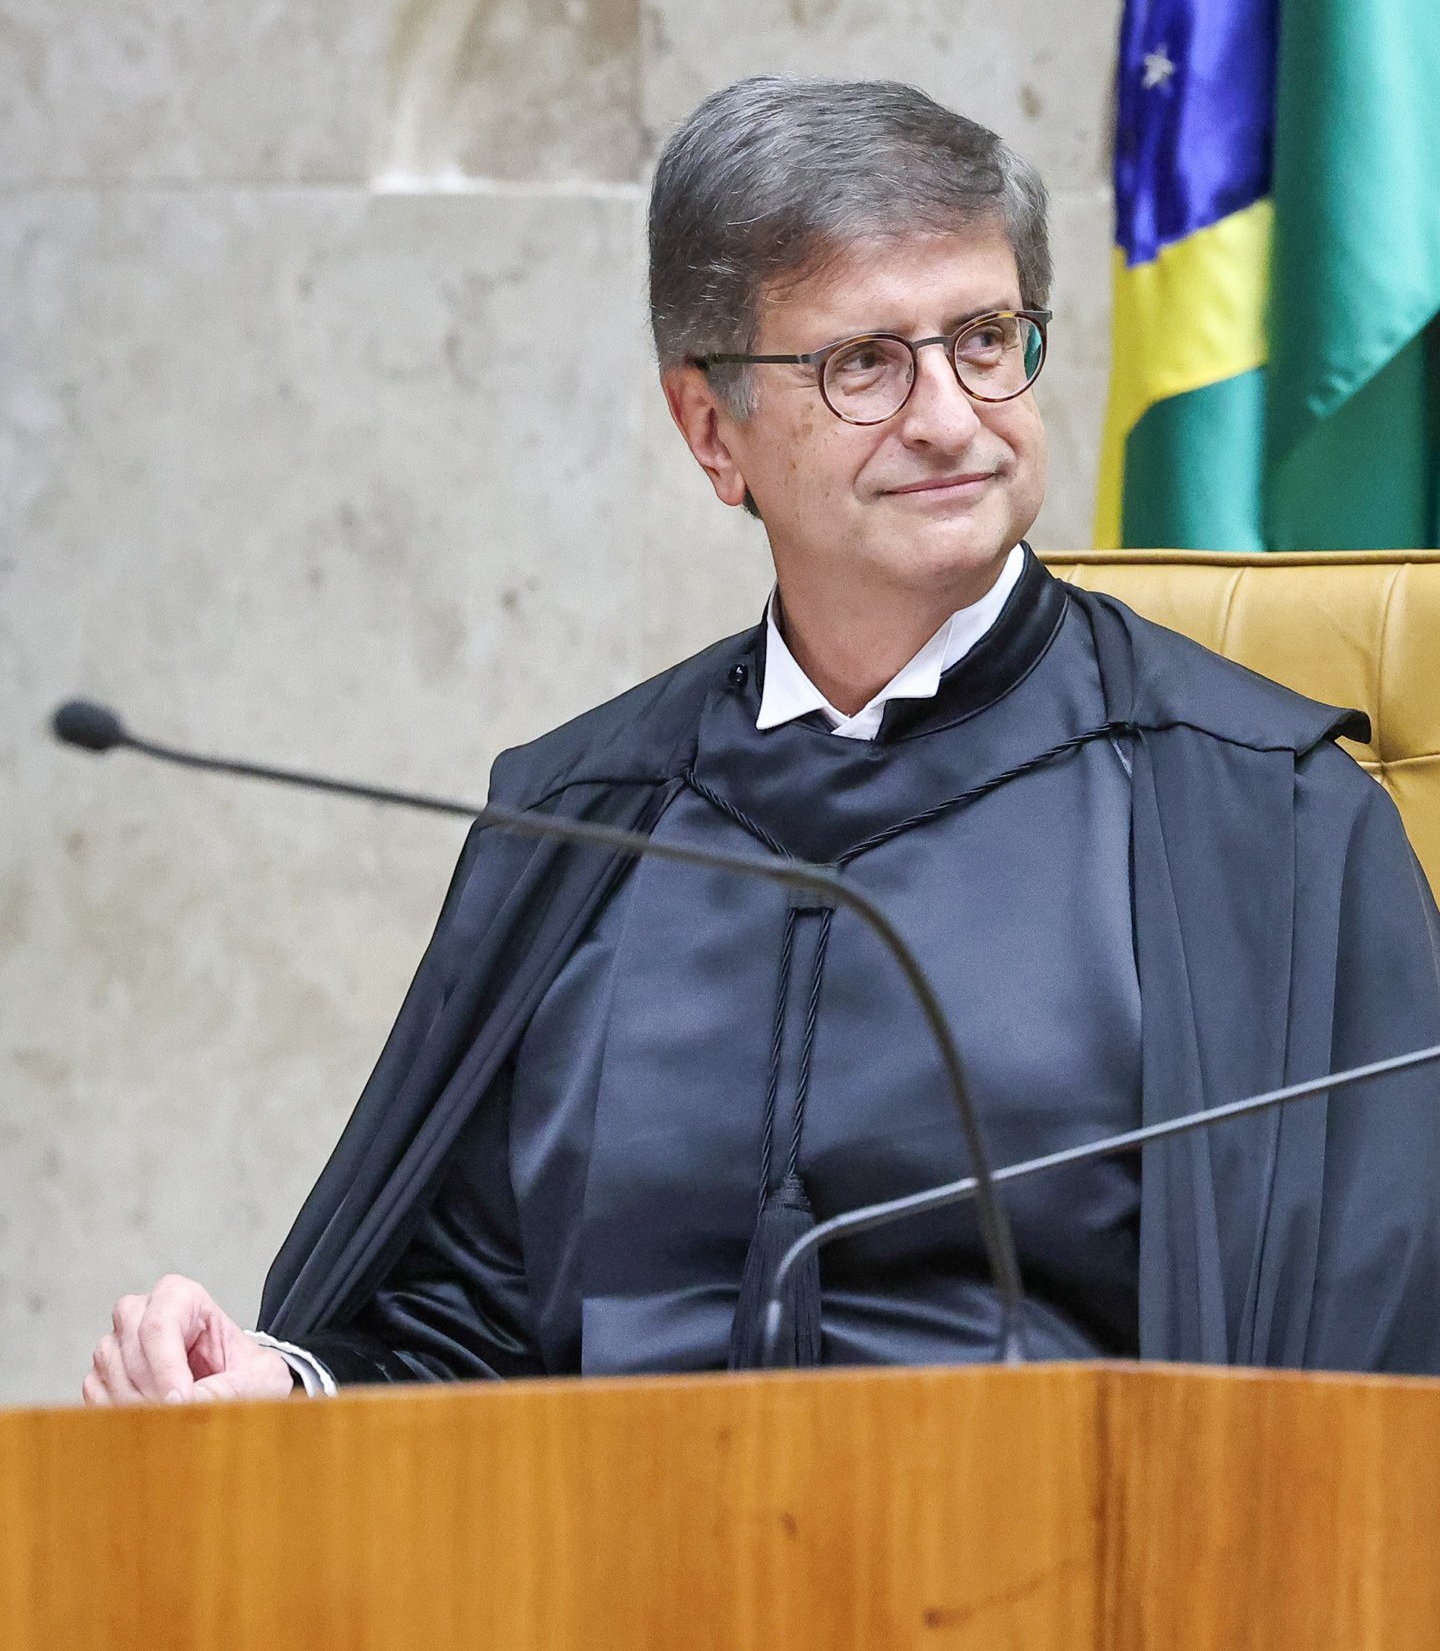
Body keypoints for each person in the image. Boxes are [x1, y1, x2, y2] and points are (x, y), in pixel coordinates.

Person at [84, 77, 1440, 1407]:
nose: (951, 417)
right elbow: (467, 1334)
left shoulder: (1267, 813)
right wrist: (288, 1390)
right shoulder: (586, 817)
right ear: (710, 429)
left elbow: (1369, 1363)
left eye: (984, 337)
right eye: (864, 363)